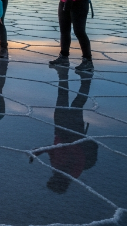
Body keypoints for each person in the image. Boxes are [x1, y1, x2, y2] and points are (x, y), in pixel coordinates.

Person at [30, 66, 97, 194]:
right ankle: (86, 80)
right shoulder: (74, 172)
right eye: (53, 179)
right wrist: (66, 143)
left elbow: (53, 152)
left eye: (51, 178)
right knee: (77, 104)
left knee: (62, 98)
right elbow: (79, 154)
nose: (52, 176)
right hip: (73, 133)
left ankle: (63, 74)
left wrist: (39, 151)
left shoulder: (57, 169)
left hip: (60, 130)